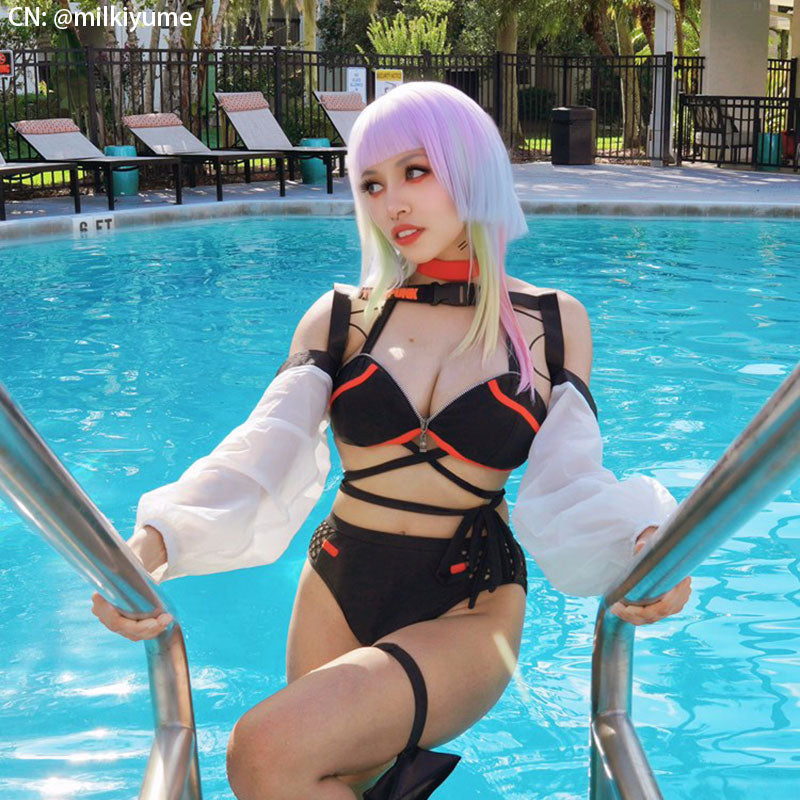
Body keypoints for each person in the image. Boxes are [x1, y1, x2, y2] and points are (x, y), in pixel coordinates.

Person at [91, 81, 692, 799]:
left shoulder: (551, 323)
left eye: (416, 171)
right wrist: (154, 544)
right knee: (317, 778)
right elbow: (266, 446)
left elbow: (570, 474)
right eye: (372, 184)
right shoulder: (342, 315)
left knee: (266, 749)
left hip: (470, 599)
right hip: (338, 580)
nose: (392, 203)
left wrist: (645, 542)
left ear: (471, 167)